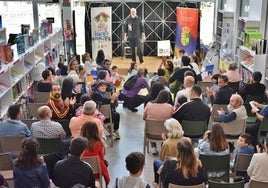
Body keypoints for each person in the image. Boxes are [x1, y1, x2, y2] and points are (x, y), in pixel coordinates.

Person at [152, 118, 191, 187]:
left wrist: (164, 142)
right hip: (186, 169)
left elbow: (162, 160)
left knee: (156, 162)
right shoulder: (187, 140)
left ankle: (157, 183)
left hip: (171, 172)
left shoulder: (167, 143)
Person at [144, 90, 174, 154]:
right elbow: (172, 119)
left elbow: (144, 118)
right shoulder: (170, 107)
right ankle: (163, 146)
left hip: (151, 134)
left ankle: (153, 147)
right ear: (167, 98)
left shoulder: (149, 104)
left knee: (150, 126)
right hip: (165, 134)